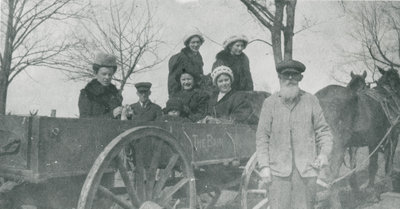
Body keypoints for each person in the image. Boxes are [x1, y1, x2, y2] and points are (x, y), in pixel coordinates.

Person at [256, 60, 333, 209]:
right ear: (280, 78)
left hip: (306, 171)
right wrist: (264, 166)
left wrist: (324, 154)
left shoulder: (311, 101)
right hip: (278, 172)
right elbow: (262, 137)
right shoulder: (269, 103)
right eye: (286, 76)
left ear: (300, 79)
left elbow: (323, 131)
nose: (290, 79)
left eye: (294, 76)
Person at [78, 52, 122, 119]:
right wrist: (111, 115)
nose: (107, 77)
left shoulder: (115, 94)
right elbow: (84, 121)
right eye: (104, 74)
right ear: (96, 73)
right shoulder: (87, 94)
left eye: (110, 74)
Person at [168, 31, 205, 96]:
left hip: (196, 94)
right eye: (193, 42)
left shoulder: (198, 58)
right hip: (182, 94)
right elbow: (174, 79)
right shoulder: (182, 58)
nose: (196, 45)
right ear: (188, 44)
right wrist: (173, 96)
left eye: (198, 42)